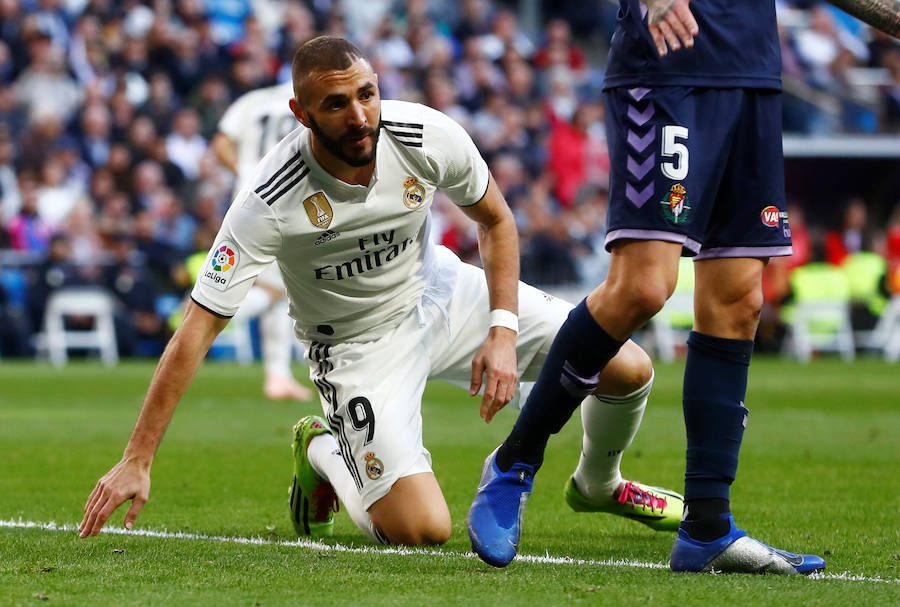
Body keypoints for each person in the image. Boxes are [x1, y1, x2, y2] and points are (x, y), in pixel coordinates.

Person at [79, 36, 682, 547]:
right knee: (422, 530)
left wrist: (501, 328)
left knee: (627, 367)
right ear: (301, 112)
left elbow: (495, 220)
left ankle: (598, 483)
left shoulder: (423, 133)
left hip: (444, 291)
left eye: (366, 94)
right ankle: (322, 448)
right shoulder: (268, 200)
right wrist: (137, 457)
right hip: (356, 347)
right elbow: (197, 328)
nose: (360, 115)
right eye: (336, 104)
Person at [467, 0, 832, 573]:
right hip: (668, 62)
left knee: (739, 302)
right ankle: (515, 460)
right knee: (643, 286)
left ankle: (707, 525)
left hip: (752, 69)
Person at [210, 79, 313, 402]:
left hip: (246, 197)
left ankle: (277, 376)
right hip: (288, 197)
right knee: (278, 288)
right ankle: (200, 315)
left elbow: (221, 142)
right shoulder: (311, 100)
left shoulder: (254, 100)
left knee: (280, 289)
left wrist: (244, 171)